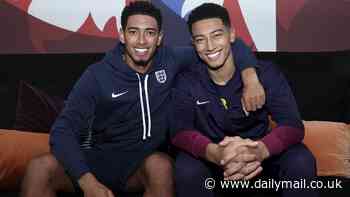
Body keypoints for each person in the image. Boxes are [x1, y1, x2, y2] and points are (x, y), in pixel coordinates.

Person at [20, 2, 265, 197]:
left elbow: (233, 45)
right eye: (133, 32)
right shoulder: (97, 75)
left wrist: (250, 78)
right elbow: (62, 131)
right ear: (122, 36)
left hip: (143, 163)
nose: (141, 41)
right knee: (38, 168)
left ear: (159, 38)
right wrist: (87, 182)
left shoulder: (170, 60)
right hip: (99, 158)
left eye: (149, 33)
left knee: (161, 166)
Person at [171, 3, 318, 197]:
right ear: (193, 43)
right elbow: (179, 132)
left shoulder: (265, 74)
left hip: (261, 156)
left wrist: (259, 151)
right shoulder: (186, 80)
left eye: (217, 35)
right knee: (186, 168)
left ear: (231, 34)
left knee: (301, 159)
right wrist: (216, 154)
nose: (209, 46)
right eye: (200, 39)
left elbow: (292, 125)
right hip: (213, 159)